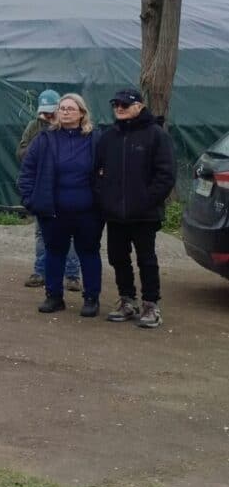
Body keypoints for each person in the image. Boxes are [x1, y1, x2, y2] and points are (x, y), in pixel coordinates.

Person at [95, 88, 176, 328]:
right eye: (116, 104)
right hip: (115, 214)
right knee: (118, 257)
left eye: (124, 104)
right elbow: (97, 172)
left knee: (146, 259)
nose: (119, 108)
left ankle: (151, 304)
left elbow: (165, 175)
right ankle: (127, 300)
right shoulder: (108, 137)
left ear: (139, 106)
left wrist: (145, 201)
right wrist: (105, 199)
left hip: (144, 214)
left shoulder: (156, 135)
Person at [18, 92, 104, 317]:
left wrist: (103, 203)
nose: (65, 111)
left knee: (89, 254)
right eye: (62, 108)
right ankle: (54, 297)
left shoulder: (95, 139)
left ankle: (91, 298)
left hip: (88, 212)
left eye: (71, 108)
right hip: (54, 211)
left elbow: (108, 172)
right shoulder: (45, 139)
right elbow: (27, 171)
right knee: (54, 253)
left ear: (82, 113)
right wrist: (30, 200)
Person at [18, 89, 83, 291]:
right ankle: (40, 271)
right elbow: (21, 154)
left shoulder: (72, 129)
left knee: (71, 233)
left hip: (66, 189)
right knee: (41, 233)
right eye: (44, 113)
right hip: (42, 188)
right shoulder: (34, 127)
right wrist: (40, 142)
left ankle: (72, 275)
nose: (47, 116)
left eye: (50, 112)